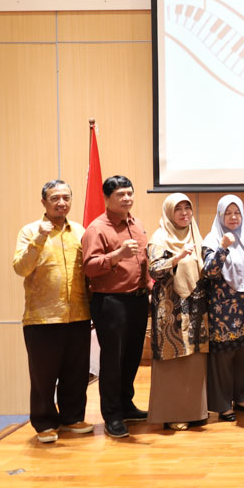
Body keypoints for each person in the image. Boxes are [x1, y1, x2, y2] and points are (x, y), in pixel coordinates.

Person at [12, 180, 93, 443]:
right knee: (43, 376)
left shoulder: (80, 231)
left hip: (78, 313)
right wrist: (39, 238)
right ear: (44, 202)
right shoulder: (30, 231)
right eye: (55, 198)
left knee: (76, 372)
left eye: (66, 197)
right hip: (42, 316)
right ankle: (45, 422)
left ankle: (72, 418)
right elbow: (20, 268)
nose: (61, 203)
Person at [82, 175, 151, 439]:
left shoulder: (137, 224)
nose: (126, 198)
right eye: (120, 194)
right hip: (111, 302)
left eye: (129, 193)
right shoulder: (97, 229)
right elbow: (89, 267)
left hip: (137, 300)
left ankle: (126, 404)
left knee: (132, 355)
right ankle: (111, 415)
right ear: (107, 198)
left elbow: (143, 262)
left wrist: (150, 287)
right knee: (113, 360)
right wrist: (117, 255)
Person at [146, 193, 214, 430]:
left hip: (196, 308)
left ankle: (195, 411)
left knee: (195, 361)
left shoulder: (196, 234)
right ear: (169, 212)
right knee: (174, 361)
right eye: (178, 209)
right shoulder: (159, 238)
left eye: (187, 208)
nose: (184, 213)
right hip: (171, 310)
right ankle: (173, 413)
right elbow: (154, 271)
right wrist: (176, 258)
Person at [203, 195, 244, 422]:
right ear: (220, 216)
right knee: (223, 358)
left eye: (237, 213)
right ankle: (223, 405)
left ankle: (242, 398)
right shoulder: (211, 240)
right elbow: (210, 271)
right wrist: (223, 248)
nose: (233, 217)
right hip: (223, 309)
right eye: (228, 213)